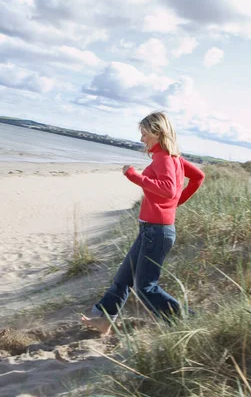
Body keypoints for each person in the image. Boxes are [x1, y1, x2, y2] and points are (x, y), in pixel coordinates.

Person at [82, 111, 205, 334]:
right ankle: (103, 320)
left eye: (145, 134)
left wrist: (134, 175)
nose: (142, 139)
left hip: (157, 232)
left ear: (158, 133)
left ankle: (189, 323)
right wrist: (179, 201)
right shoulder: (174, 158)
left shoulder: (166, 159)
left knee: (145, 287)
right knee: (123, 277)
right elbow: (198, 178)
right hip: (151, 229)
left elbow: (168, 190)